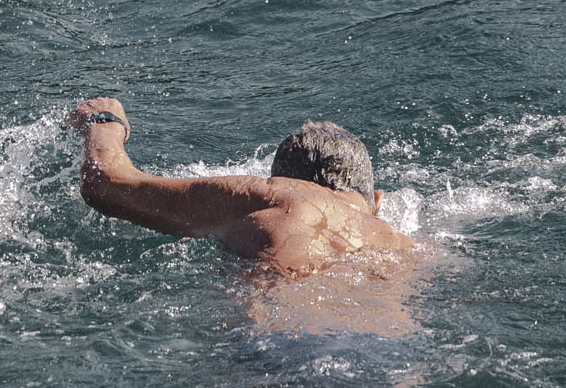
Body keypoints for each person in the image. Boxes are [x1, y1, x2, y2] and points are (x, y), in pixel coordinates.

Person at [66, 97, 407, 277]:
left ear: (282, 181)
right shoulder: (407, 248)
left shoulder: (274, 198)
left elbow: (105, 184)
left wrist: (105, 120)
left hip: (287, 351)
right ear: (377, 201)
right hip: (393, 364)